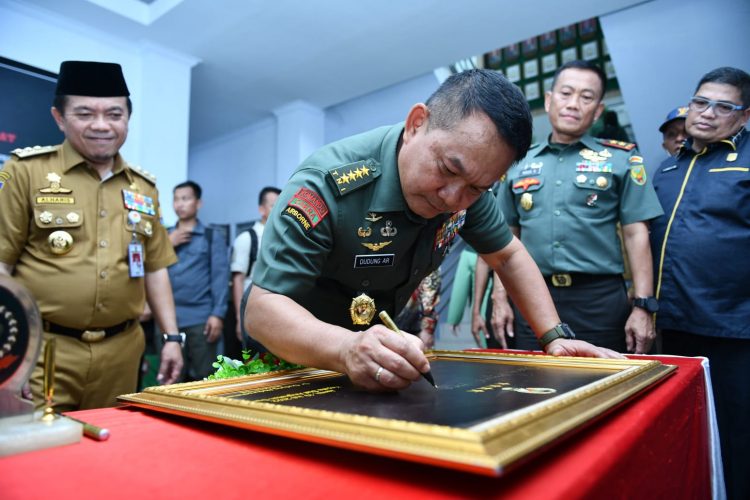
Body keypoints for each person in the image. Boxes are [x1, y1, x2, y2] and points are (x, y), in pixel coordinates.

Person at [244, 69, 623, 393]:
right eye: (447, 169)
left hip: (372, 360)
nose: (453, 198)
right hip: (292, 359)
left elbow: (506, 254)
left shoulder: (468, 184)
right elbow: (263, 311)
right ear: (416, 124)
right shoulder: (329, 184)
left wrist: (554, 337)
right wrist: (346, 348)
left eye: (477, 188)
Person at [0, 60, 183, 410]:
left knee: (108, 449)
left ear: (127, 118)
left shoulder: (144, 188)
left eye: (114, 114)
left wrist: (172, 337)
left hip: (122, 352)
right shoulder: (25, 171)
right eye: (85, 113)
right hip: (42, 350)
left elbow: (155, 268)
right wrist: (10, 351)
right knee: (37, 452)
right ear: (59, 118)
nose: (101, 125)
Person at [492, 60, 663, 354]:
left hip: (599, 300)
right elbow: (506, 236)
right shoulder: (518, 163)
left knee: (605, 386)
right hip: (531, 294)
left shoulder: (622, 159)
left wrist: (643, 306)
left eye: (586, 98)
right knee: (533, 385)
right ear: (548, 100)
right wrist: (499, 298)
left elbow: (637, 234)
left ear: (598, 110)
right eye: (566, 93)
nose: (573, 104)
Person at [650, 67, 750, 500]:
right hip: (671, 326)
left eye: (723, 107)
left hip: (733, 328)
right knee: (684, 427)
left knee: (737, 434)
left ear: (743, 116)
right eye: (700, 102)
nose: (707, 114)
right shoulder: (667, 168)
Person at [168, 180, 229, 381]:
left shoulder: (212, 236)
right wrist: (168, 244)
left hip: (201, 319)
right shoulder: (163, 237)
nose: (180, 204)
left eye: (186, 198)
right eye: (176, 199)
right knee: (169, 381)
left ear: (198, 203)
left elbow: (220, 278)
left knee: (205, 379)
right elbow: (148, 270)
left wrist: (217, 315)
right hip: (168, 320)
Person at [229, 186, 280, 349]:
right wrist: (239, 319)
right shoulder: (247, 238)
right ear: (261, 209)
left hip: (279, 313)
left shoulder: (284, 238)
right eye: (274, 205)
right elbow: (238, 280)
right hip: (252, 311)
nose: (279, 209)